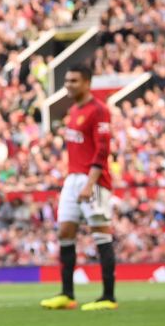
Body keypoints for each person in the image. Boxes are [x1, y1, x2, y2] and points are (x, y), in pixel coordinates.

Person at [41, 65, 119, 311]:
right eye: (67, 80)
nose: (69, 84)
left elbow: (103, 149)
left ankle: (108, 296)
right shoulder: (74, 110)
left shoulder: (99, 110)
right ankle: (67, 294)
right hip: (73, 177)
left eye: (74, 80)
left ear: (87, 83)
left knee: (100, 233)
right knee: (65, 231)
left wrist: (90, 182)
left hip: (92, 178)